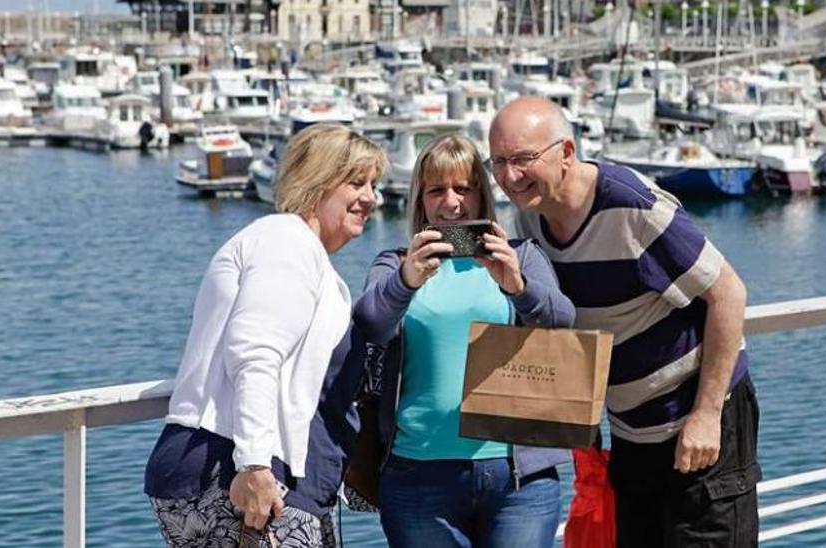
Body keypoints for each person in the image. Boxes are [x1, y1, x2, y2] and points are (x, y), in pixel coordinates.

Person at [488, 97, 758, 548]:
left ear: (567, 154)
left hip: (699, 418)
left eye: (522, 159)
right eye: (498, 162)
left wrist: (707, 416)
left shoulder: (634, 206)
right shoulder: (530, 216)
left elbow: (729, 293)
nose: (509, 176)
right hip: (630, 431)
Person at [144, 124, 388, 548]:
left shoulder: (308, 257)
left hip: (269, 477)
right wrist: (255, 464)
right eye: (356, 182)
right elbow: (255, 353)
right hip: (230, 470)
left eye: (373, 184)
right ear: (317, 180)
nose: (371, 197)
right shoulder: (285, 242)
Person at [353, 134, 575, 548]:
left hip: (519, 477)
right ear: (420, 199)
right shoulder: (395, 263)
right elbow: (369, 323)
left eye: (464, 188)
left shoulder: (522, 255)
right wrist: (406, 282)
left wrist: (518, 287)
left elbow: (563, 323)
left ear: (482, 196)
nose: (452, 203)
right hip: (417, 475)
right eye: (437, 190)